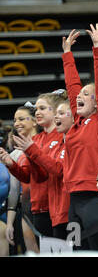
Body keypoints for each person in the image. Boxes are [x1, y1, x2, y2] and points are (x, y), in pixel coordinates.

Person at [61, 26, 98, 254]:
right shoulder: (77, 121)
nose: (79, 97)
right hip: (74, 199)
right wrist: (67, 53)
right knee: (76, 251)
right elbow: (72, 86)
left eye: (87, 94)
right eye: (80, 95)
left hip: (96, 196)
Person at [11, 97, 73, 240]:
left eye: (43, 108)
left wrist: (32, 151)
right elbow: (32, 177)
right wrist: (11, 165)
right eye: (36, 109)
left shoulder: (62, 137)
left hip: (57, 206)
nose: (37, 112)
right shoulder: (37, 139)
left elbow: (57, 170)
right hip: (39, 205)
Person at [0, 105, 40, 253]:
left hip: (48, 209)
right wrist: (10, 223)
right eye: (15, 119)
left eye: (22, 119)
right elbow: (14, 191)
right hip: (26, 210)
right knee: (32, 251)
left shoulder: (45, 145)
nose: (16, 123)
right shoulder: (16, 154)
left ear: (35, 121)